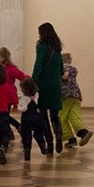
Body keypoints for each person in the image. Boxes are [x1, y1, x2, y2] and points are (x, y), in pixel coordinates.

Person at [32, 22, 64, 154]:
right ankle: (59, 134)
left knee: (43, 116)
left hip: (43, 85)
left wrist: (33, 79)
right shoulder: (57, 47)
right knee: (55, 115)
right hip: (56, 85)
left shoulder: (41, 46)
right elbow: (61, 68)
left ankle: (49, 144)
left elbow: (38, 64)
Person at [0, 47, 29, 136]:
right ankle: (10, 132)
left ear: (3, 58)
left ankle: (17, 127)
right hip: (1, 96)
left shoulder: (11, 69)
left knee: (3, 115)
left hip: (8, 97)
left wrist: (30, 83)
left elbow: (22, 77)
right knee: (3, 115)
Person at [60, 52, 94, 147]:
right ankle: (83, 133)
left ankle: (70, 138)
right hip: (77, 96)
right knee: (74, 116)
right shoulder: (73, 69)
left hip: (66, 97)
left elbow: (65, 75)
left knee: (61, 118)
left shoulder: (63, 68)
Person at [18, 77, 48, 161]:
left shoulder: (24, 98)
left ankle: (27, 151)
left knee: (26, 135)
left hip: (26, 119)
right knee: (38, 133)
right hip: (37, 118)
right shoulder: (37, 95)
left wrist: (19, 107)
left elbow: (23, 108)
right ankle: (42, 146)